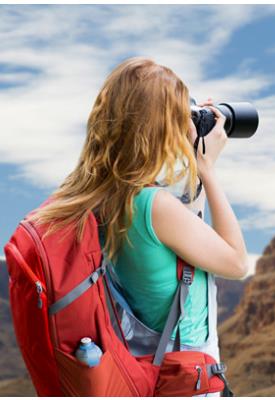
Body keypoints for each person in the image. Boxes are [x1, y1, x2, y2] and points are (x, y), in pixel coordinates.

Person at [29, 57, 249, 397]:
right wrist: (207, 169)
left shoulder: (102, 198)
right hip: (185, 379)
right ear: (158, 126)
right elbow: (236, 262)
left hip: (142, 370)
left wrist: (193, 164)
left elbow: (186, 245)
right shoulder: (156, 207)